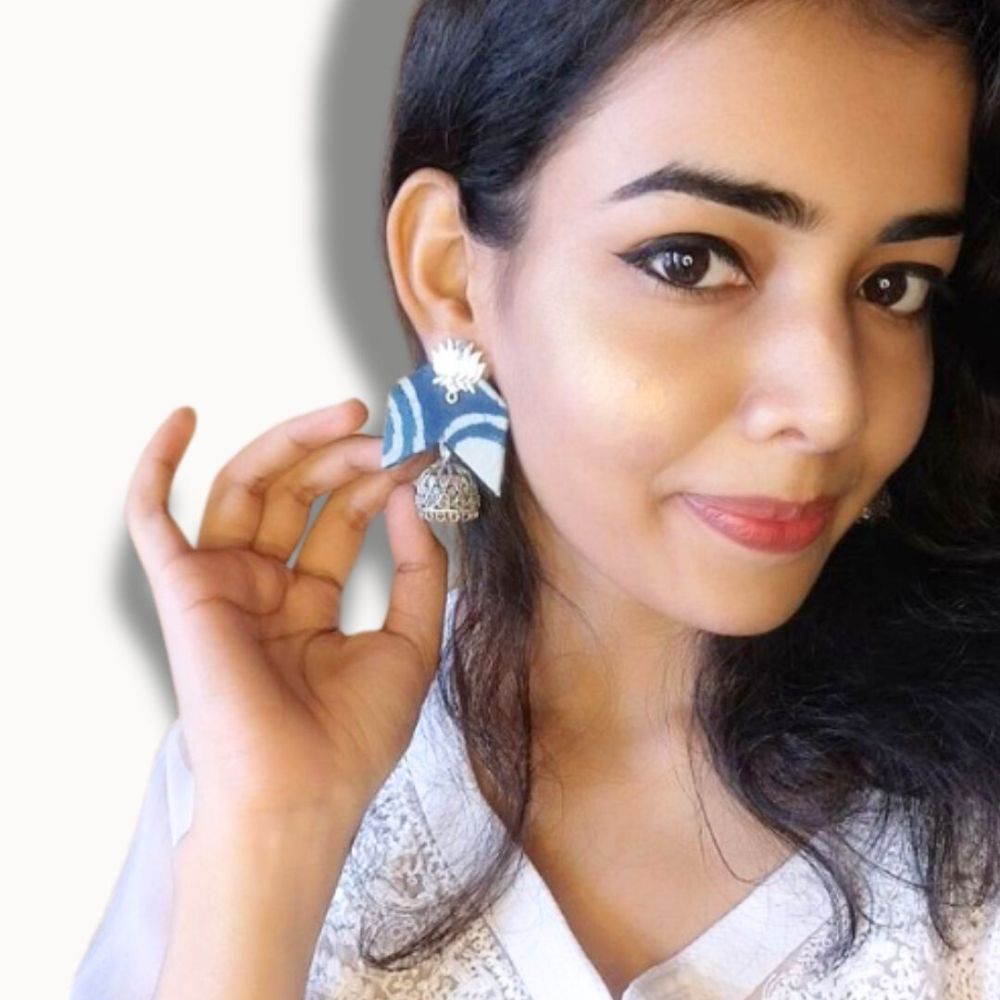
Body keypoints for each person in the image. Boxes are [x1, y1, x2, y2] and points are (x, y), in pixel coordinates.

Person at [69, 1, 1000, 998]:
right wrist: (274, 835)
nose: (830, 404)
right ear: (450, 275)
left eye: (895, 285)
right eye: (691, 261)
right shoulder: (248, 771)